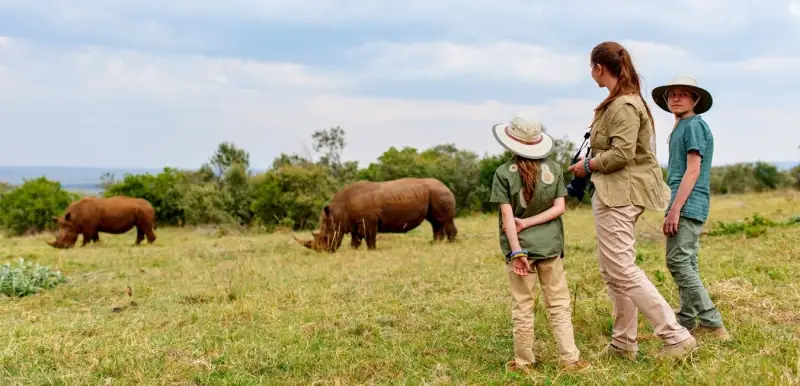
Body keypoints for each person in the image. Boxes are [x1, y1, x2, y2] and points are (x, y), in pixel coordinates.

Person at [567, 41, 697, 359]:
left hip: (620, 194)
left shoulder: (623, 104)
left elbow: (622, 154)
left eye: (591, 67)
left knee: (622, 270)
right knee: (613, 270)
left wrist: (587, 166)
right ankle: (623, 343)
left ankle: (676, 337)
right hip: (615, 192)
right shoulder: (620, 101)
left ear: (599, 68)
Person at [489, 113, 591, 373]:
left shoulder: (503, 173)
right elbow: (559, 209)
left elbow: (507, 217)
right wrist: (530, 222)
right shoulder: (554, 169)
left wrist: (517, 251)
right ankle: (570, 359)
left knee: (522, 305)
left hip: (520, 249)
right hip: (550, 248)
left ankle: (524, 362)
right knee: (558, 304)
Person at [652, 75, 731, 341]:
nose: (676, 98)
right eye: (672, 94)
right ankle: (686, 320)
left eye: (683, 94)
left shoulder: (694, 126)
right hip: (684, 201)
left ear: (695, 100)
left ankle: (712, 322)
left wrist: (675, 209)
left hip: (686, 203)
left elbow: (693, 171)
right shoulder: (682, 126)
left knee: (677, 261)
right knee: (688, 262)